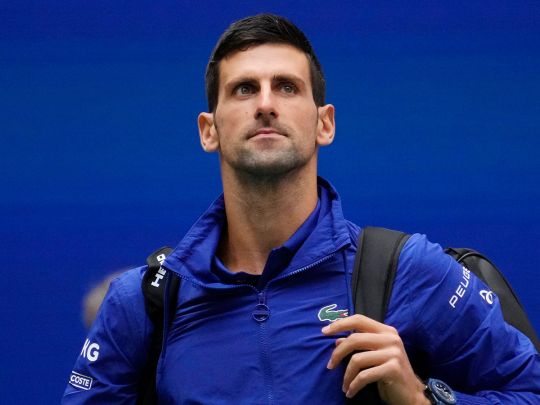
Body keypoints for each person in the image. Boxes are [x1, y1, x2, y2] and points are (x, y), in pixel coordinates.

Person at [62, 14, 540, 404]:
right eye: (244, 89)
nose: (266, 104)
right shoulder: (143, 304)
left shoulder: (408, 272)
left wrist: (420, 399)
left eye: (287, 87)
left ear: (323, 124)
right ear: (209, 130)